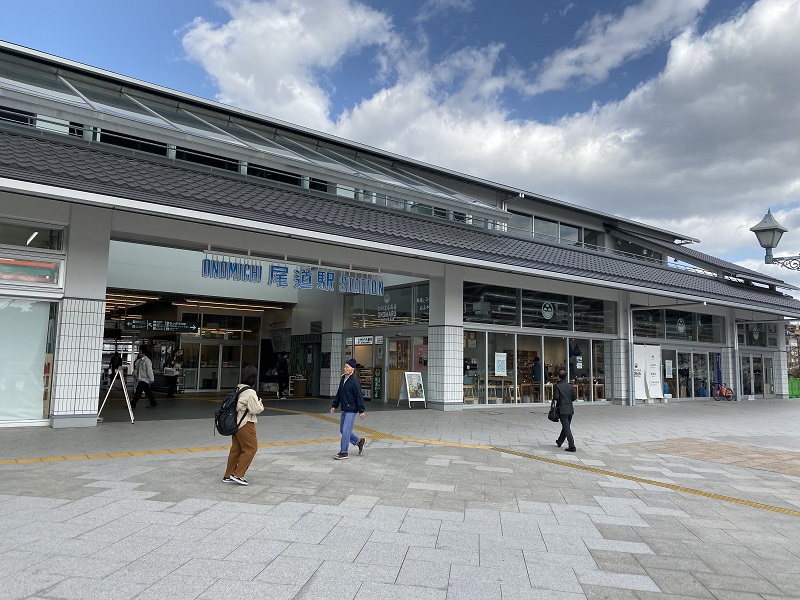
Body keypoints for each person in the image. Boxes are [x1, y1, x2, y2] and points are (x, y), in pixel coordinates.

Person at [223, 365, 264, 485]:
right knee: (251, 448)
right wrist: (260, 403)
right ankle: (238, 474)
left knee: (236, 449)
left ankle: (228, 475)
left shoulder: (239, 388)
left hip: (235, 423)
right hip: (245, 423)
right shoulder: (250, 392)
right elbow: (255, 409)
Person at [330, 358, 366, 460]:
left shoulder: (354, 382)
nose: (345, 368)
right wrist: (334, 405)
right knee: (342, 430)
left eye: (347, 367)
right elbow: (339, 393)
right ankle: (359, 441)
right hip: (344, 408)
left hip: (351, 409)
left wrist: (361, 410)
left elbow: (359, 396)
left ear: (352, 369)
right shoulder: (343, 379)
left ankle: (344, 452)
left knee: (346, 430)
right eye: (345, 366)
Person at [553, 368, 576, 452]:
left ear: (558, 376)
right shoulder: (570, 386)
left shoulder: (557, 386)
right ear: (566, 376)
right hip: (570, 409)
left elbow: (556, 397)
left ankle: (572, 446)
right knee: (566, 426)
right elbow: (574, 397)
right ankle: (560, 441)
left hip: (562, 409)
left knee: (566, 428)